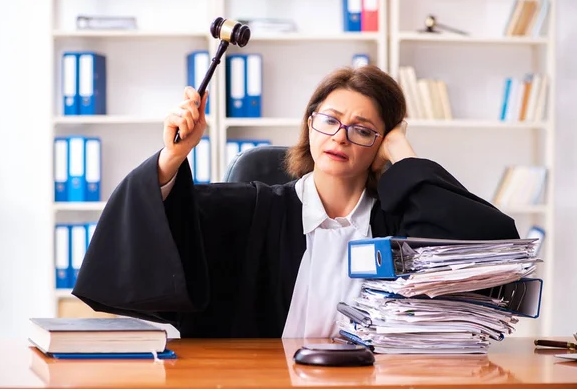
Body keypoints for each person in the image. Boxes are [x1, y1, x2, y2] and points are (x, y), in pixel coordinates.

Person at [72, 65, 520, 339]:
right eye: (330, 120)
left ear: (380, 143)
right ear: (309, 125)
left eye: (363, 129)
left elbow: (493, 240)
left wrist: (403, 153)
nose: (340, 137)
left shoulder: (399, 223)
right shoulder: (252, 211)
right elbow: (166, 222)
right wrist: (173, 157)